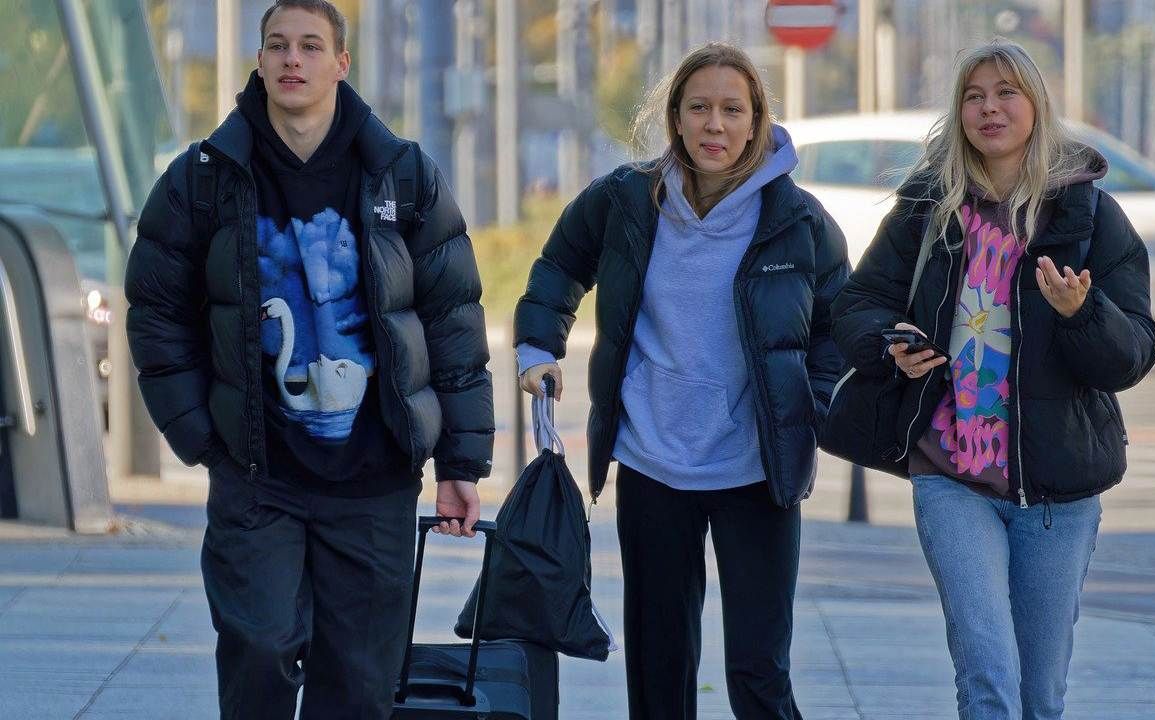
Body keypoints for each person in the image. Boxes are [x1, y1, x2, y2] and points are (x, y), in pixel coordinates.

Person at [124, 1, 493, 716]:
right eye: (278, 46)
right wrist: (201, 436)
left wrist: (460, 462)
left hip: (374, 480)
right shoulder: (203, 179)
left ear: (341, 63)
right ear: (259, 60)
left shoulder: (403, 176)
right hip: (259, 479)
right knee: (259, 649)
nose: (293, 59)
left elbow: (453, 319)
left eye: (311, 46)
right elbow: (156, 309)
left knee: (358, 688)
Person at [513, 42, 850, 720]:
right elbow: (559, 267)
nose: (714, 125)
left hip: (757, 470)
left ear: (757, 121)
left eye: (732, 110)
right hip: (653, 461)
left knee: (758, 671)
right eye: (699, 108)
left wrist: (806, 408)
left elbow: (838, 327)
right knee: (659, 669)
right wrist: (534, 349)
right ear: (675, 117)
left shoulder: (797, 219)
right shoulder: (626, 199)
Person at [831, 39, 1155, 719]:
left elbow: (1131, 355)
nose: (989, 108)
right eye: (974, 95)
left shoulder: (1089, 216)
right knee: (987, 678)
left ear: (1036, 106)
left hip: (1060, 489)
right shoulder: (929, 206)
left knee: (1040, 697)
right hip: (950, 474)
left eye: (1006, 92)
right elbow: (859, 304)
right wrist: (891, 342)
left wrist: (1082, 312)